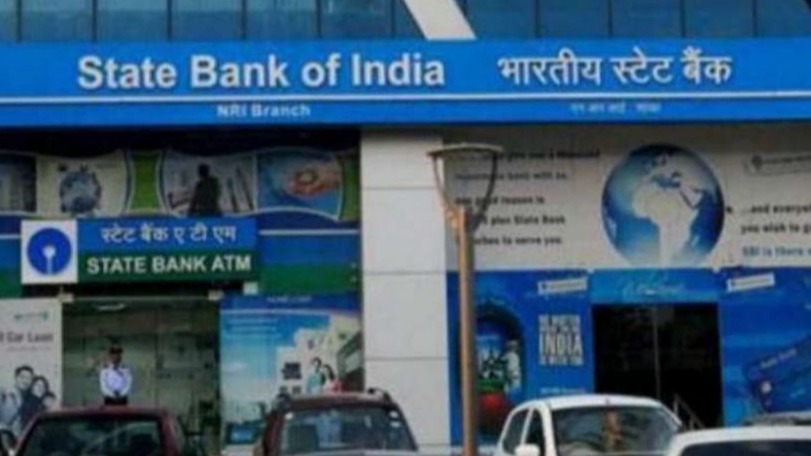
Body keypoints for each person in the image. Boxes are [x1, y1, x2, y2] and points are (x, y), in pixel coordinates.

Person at [0, 366, 34, 434]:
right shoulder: (4, 394)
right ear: (16, 378)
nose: (25, 381)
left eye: (29, 378)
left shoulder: (29, 399)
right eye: (22, 377)